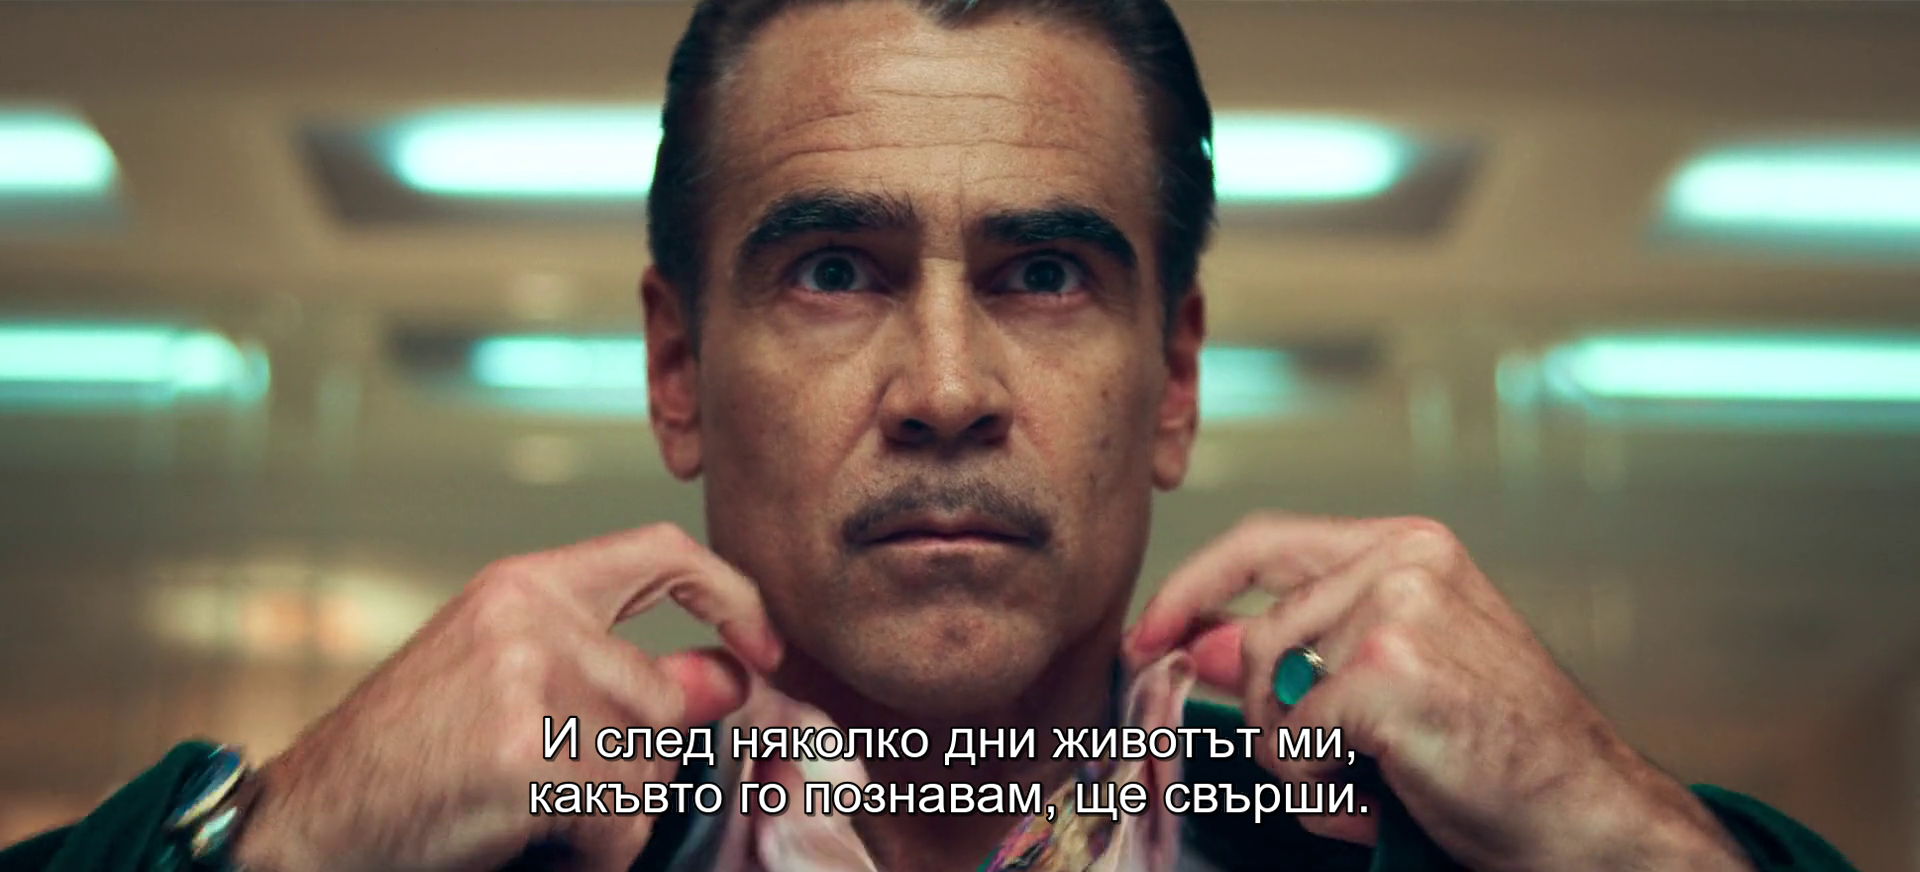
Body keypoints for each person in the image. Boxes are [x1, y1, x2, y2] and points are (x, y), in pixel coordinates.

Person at [0, 0, 1861, 870]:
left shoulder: (1436, 857)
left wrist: (1643, 844)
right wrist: (273, 850)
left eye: (1047, 272)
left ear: (1175, 378)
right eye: (833, 270)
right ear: (678, 369)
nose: (949, 386)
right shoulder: (453, 856)